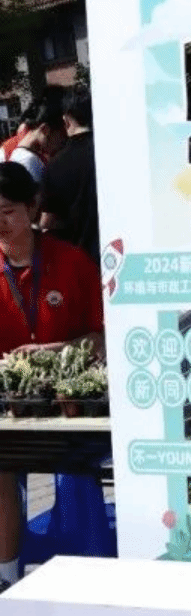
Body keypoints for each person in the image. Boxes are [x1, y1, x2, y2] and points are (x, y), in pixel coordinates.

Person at [0, 161, 104, 589]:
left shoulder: (71, 262)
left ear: (32, 207)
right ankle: (7, 578)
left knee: (75, 474)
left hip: (71, 406)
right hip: (11, 409)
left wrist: (53, 352)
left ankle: (88, 574)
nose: (0, 223)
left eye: (7, 211)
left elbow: (101, 337)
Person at [39, 88, 100, 264]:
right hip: (120, 253)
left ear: (66, 121)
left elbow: (48, 222)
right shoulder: (115, 153)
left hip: (79, 259)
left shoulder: (55, 165)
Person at [0, 101, 66, 183]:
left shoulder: (26, 157)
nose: (62, 142)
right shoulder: (27, 162)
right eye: (62, 135)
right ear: (45, 130)